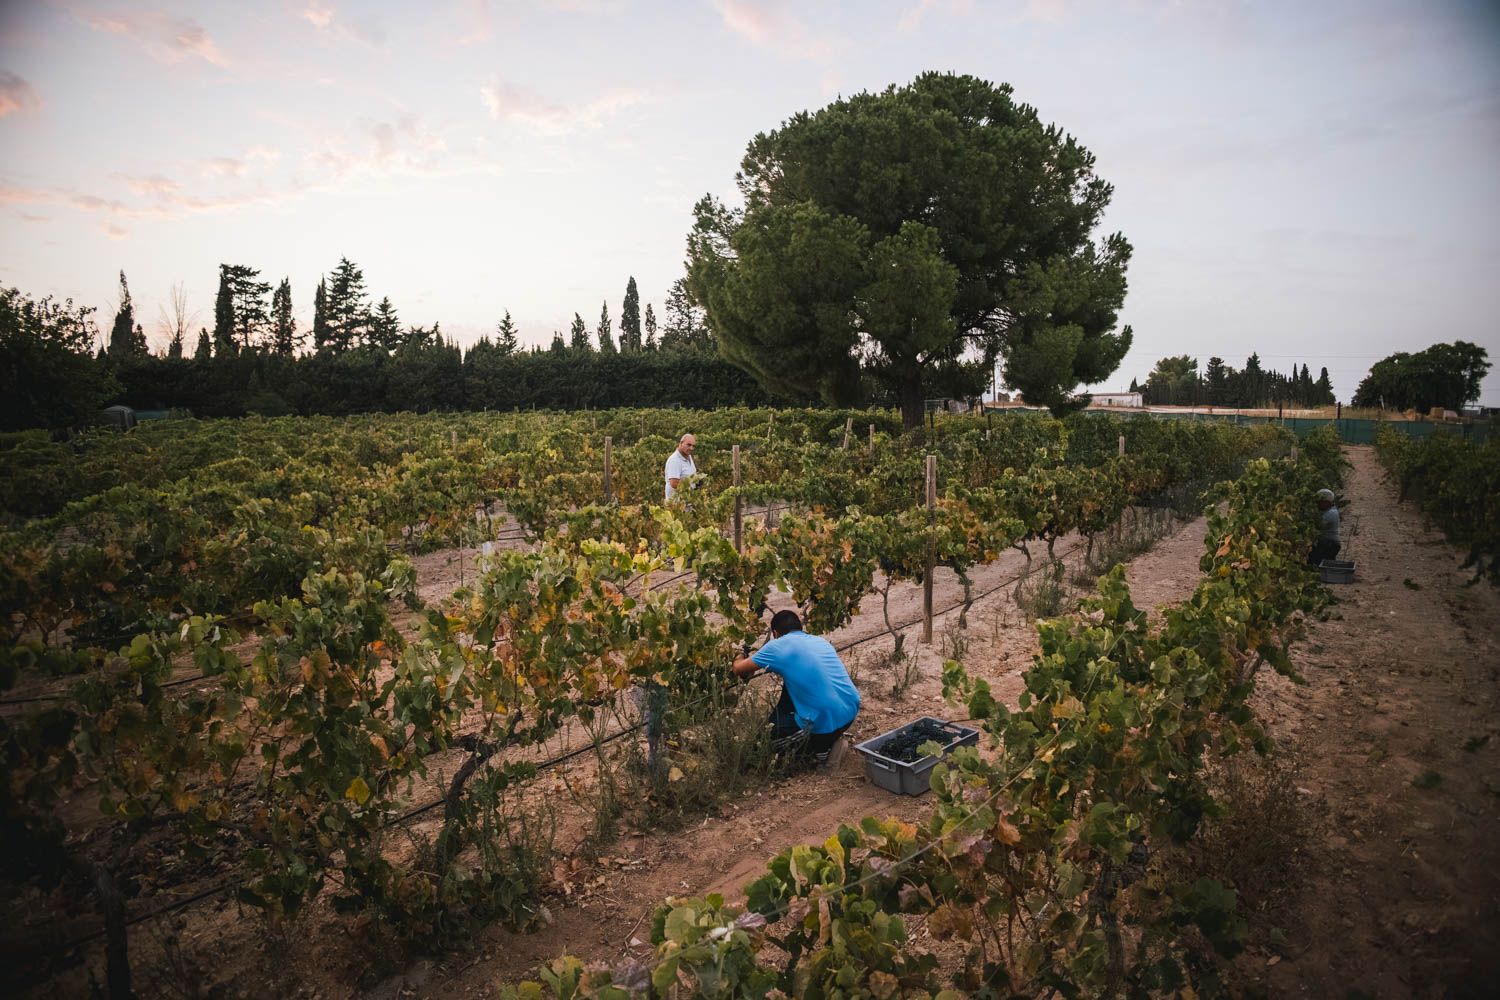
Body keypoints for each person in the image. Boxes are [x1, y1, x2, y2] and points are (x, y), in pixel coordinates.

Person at [733, 610, 860, 769]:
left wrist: (739, 653)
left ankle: (823, 752)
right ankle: (828, 739)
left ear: (775, 633)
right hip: (850, 712)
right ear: (800, 627)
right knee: (790, 687)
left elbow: (739, 669)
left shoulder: (777, 645)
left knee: (761, 747)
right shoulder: (819, 641)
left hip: (826, 719)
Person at [1309, 488, 1341, 566]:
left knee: (1316, 562)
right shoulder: (1329, 511)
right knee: (1327, 565)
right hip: (1328, 544)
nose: (1317, 504)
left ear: (1327, 502)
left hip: (1329, 544)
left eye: (1320, 502)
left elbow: (1317, 525)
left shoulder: (1331, 513)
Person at [664, 433, 697, 501]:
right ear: (681, 443)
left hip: (687, 503)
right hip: (676, 505)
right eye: (688, 445)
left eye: (693, 446)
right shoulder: (675, 460)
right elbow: (674, 483)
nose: (691, 448)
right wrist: (690, 485)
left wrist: (696, 483)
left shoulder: (689, 457)